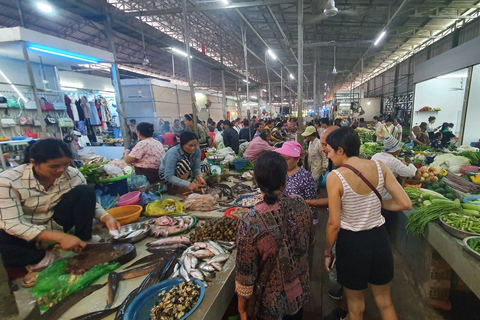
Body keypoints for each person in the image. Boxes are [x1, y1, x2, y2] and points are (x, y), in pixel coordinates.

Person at [324, 127, 412, 320]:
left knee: (356, 308)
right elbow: (405, 203)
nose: (329, 156)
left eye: (329, 151)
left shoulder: (335, 176)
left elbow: (334, 224)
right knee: (385, 302)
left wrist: (328, 252)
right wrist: (378, 202)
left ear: (340, 150)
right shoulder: (379, 166)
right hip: (379, 240)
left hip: (352, 244)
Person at [0, 139, 120, 269]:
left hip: (55, 223)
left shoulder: (72, 174)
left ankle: (84, 239)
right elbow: (13, 224)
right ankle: (40, 256)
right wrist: (60, 237)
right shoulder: (8, 181)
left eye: (66, 164)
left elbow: (87, 200)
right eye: (54, 166)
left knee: (85, 192)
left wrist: (105, 217)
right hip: (23, 234)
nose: (61, 170)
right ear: (33, 162)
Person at [235, 151, 314, 320]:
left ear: (256, 181)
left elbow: (245, 272)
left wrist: (242, 309)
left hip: (269, 303)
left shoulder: (251, 220)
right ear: (285, 180)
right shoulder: (300, 203)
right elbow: (311, 240)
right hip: (298, 293)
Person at [275, 141, 317, 222]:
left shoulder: (305, 177)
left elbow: (311, 203)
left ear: (297, 159)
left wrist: (311, 222)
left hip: (299, 221)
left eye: (286, 159)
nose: (282, 162)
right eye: (281, 158)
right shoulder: (280, 172)